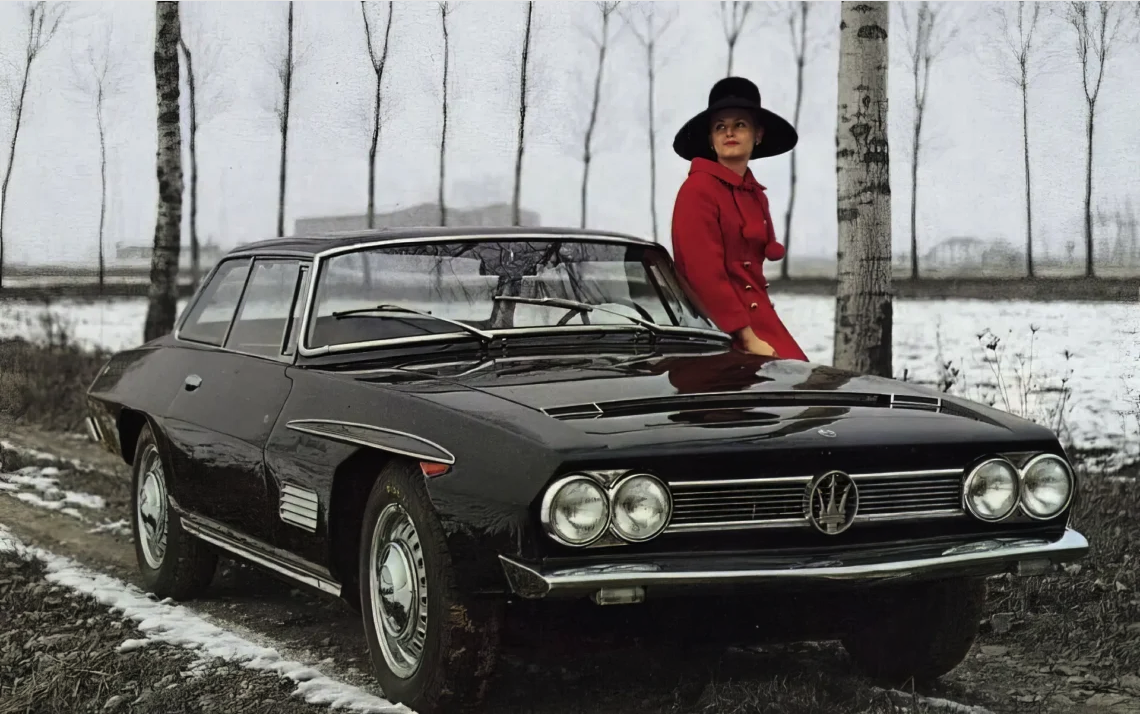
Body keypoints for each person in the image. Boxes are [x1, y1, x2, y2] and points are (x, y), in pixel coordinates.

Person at [669, 76, 808, 362]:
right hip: (720, 327)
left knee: (804, 378)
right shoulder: (698, 190)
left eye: (740, 125)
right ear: (711, 139)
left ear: (758, 134)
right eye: (719, 127)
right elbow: (703, 274)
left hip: (758, 318)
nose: (729, 132)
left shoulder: (755, 195)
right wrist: (746, 337)